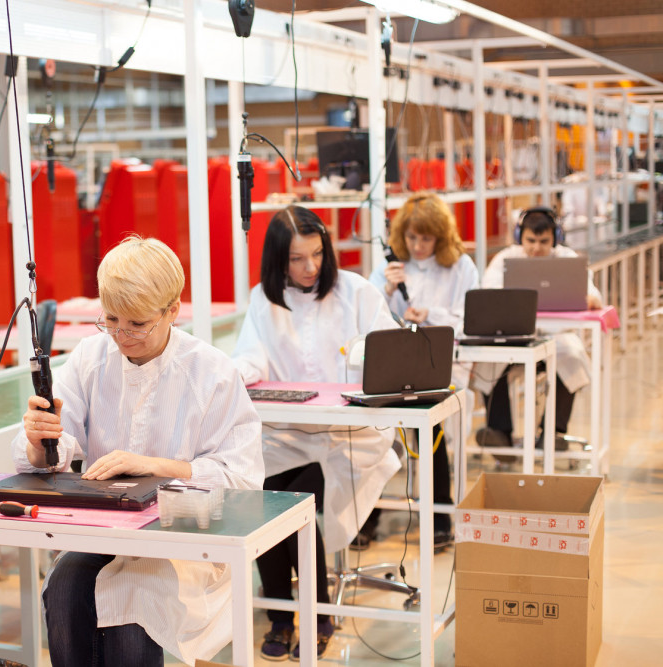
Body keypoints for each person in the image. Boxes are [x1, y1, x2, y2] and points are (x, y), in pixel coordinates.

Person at [13, 236, 263, 667]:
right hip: (104, 529)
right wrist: (40, 445)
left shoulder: (212, 372)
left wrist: (156, 467)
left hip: (183, 538)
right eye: (111, 319)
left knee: (132, 613)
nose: (122, 335)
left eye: (137, 324)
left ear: (172, 310)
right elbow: (58, 445)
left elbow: (241, 477)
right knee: (65, 587)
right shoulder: (91, 357)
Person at [231, 205, 398, 661]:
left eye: (317, 254)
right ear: (277, 260)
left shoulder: (357, 293)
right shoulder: (264, 300)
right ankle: (283, 615)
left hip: (348, 437)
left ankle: (315, 614)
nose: (310, 267)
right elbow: (251, 357)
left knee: (289, 504)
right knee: (259, 497)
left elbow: (390, 350)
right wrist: (230, 373)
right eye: (297, 259)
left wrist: (364, 359)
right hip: (285, 435)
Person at [368, 193, 479, 550]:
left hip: (446, 364)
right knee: (374, 429)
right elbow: (366, 317)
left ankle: (439, 516)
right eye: (411, 237)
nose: (417, 246)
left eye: (426, 238)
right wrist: (387, 289)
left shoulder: (461, 267)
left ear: (441, 237)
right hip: (396, 362)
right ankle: (368, 514)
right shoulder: (390, 267)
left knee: (430, 424)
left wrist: (432, 314)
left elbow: (471, 320)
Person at [473, 207, 603, 450]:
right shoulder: (505, 259)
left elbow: (592, 295)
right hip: (514, 337)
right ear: (519, 237)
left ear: (555, 238)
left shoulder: (567, 259)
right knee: (488, 359)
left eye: (543, 241)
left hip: (556, 337)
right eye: (530, 240)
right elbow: (488, 293)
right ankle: (499, 432)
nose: (536, 248)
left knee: (573, 356)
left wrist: (590, 298)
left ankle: (553, 433)